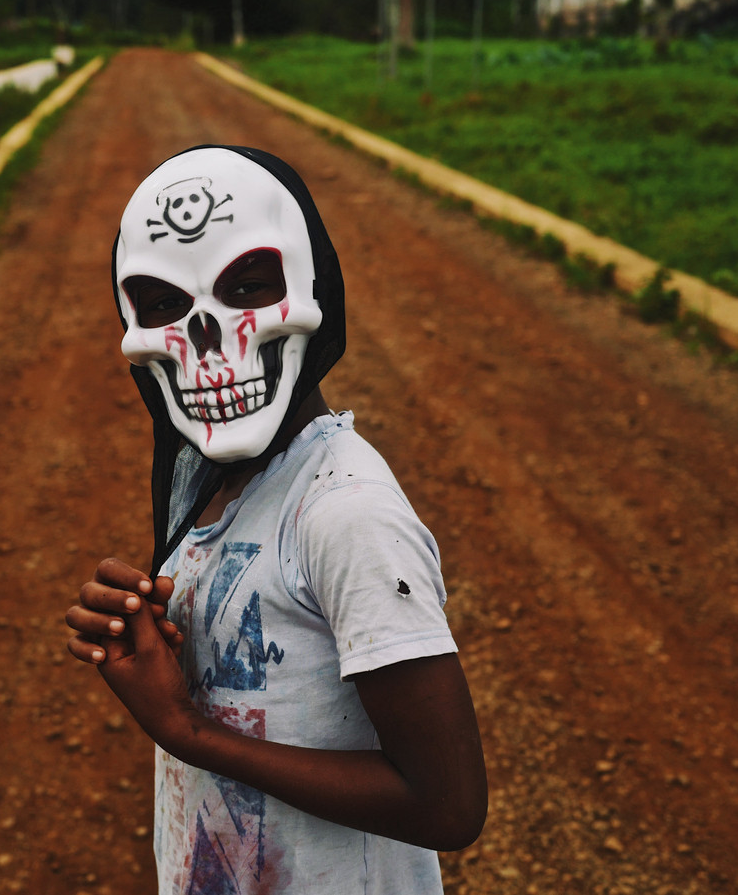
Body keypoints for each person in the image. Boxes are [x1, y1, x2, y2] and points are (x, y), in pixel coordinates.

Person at [65, 145, 486, 893]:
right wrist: (149, 632)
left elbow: (447, 804)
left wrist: (185, 732)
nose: (204, 337)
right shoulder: (206, 478)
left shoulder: (344, 510)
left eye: (251, 287)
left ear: (314, 288)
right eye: (161, 303)